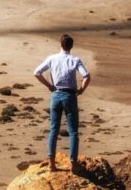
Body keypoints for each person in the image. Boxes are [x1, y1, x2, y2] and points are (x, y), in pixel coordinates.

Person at [33, 34, 91, 172]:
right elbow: (87, 76)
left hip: (56, 95)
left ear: (60, 45)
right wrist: (81, 90)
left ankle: (51, 164)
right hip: (70, 96)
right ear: (71, 46)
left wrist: (49, 85)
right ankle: (73, 164)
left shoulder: (52, 58)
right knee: (73, 132)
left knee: (54, 130)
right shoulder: (75, 60)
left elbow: (37, 72)